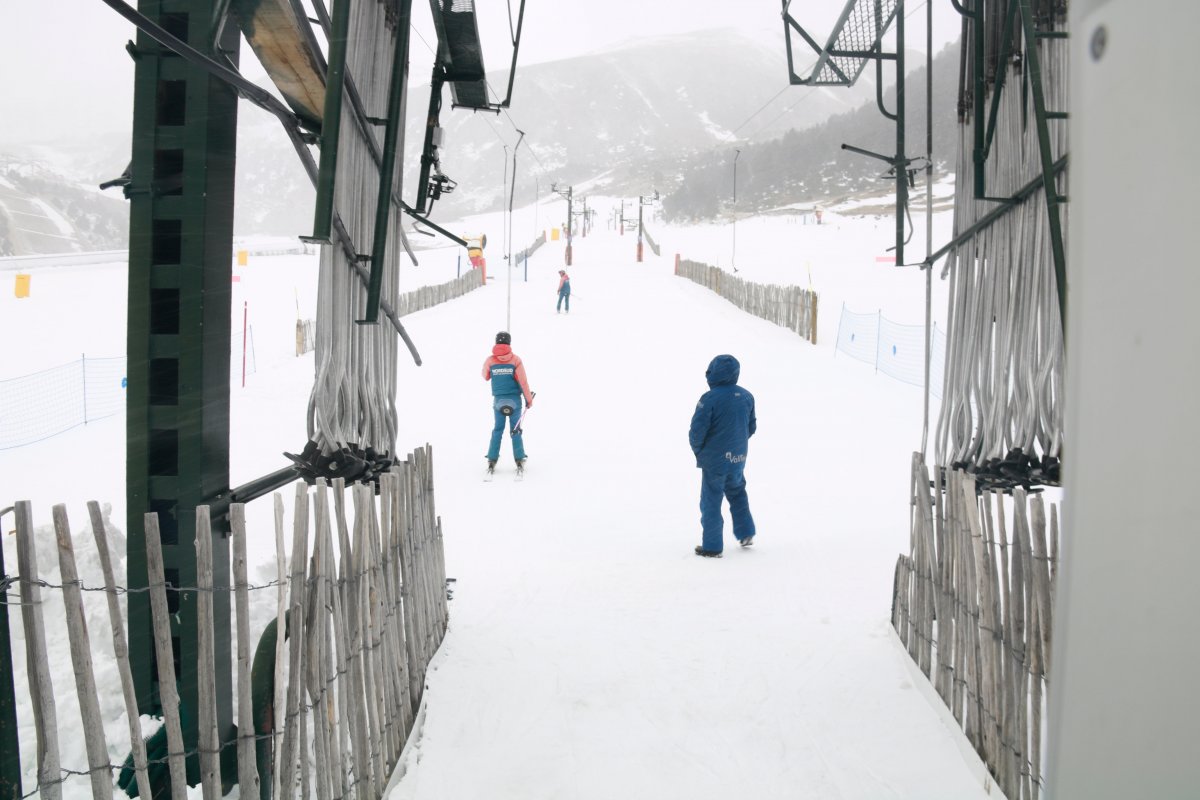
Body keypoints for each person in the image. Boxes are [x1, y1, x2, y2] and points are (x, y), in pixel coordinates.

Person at [688, 354, 757, 557]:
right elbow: (751, 427)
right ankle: (746, 533)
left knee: (711, 500)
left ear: (712, 373)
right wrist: (737, 446)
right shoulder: (747, 396)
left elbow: (697, 431)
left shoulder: (709, 399)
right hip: (738, 458)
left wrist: (699, 450)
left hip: (715, 461)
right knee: (737, 493)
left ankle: (712, 546)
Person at [482, 330, 534, 471]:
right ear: (509, 343)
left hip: (498, 402)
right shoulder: (516, 360)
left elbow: (485, 376)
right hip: (515, 402)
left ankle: (492, 458)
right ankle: (519, 458)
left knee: (498, 429)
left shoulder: (490, 360)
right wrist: (529, 400)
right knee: (515, 430)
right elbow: (523, 382)